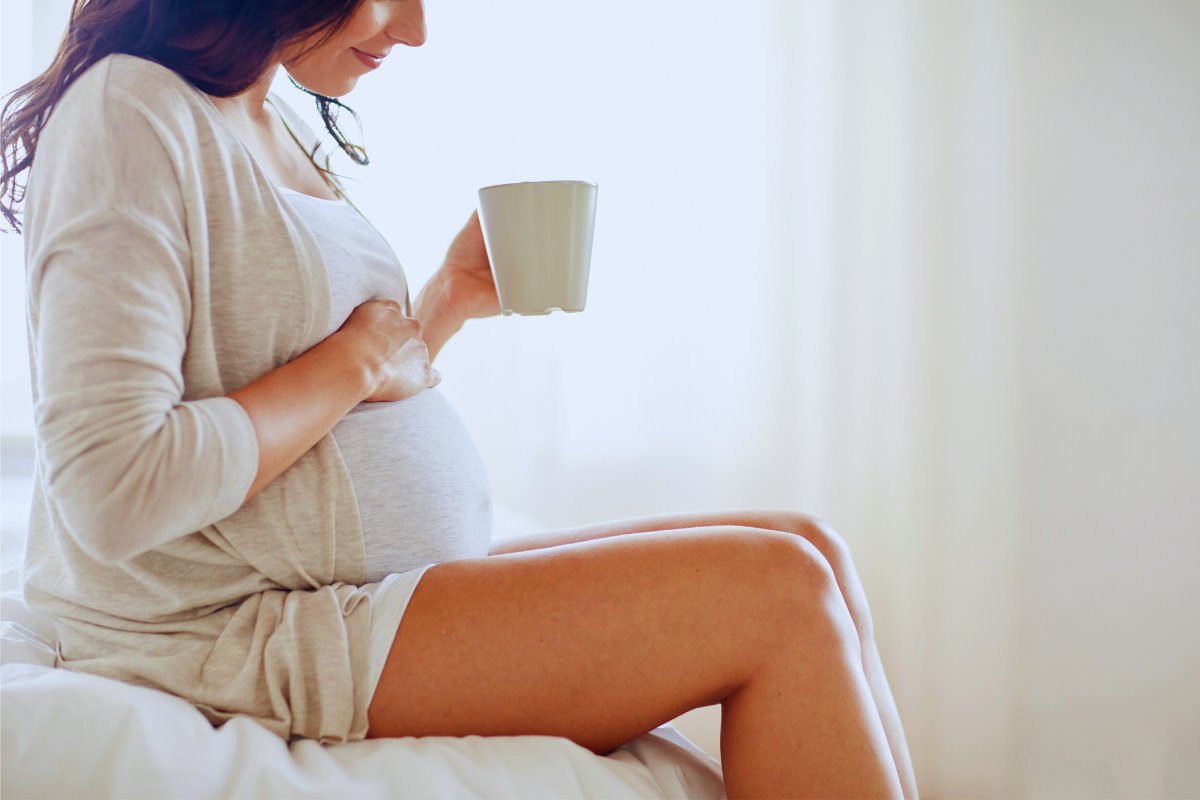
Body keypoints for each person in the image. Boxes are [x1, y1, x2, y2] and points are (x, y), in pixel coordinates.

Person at [0, 2, 917, 797]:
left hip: (350, 587)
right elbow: (113, 488)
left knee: (810, 547)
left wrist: (442, 306)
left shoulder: (262, 113)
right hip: (236, 629)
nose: (418, 29)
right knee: (779, 596)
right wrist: (357, 360)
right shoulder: (130, 111)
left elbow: (309, 400)